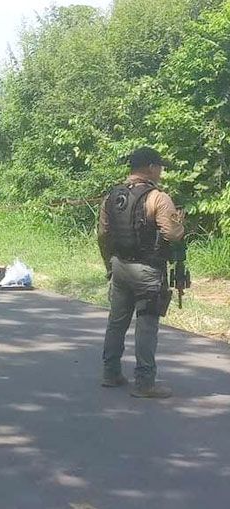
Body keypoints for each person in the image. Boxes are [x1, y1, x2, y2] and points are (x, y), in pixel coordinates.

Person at [98, 146, 185, 399]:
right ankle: (145, 383)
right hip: (148, 270)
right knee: (146, 326)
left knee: (116, 323)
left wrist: (109, 267)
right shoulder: (158, 197)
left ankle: (110, 373)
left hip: (120, 267)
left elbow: (103, 235)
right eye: (159, 166)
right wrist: (180, 224)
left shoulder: (112, 196)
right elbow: (171, 234)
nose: (161, 170)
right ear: (150, 167)